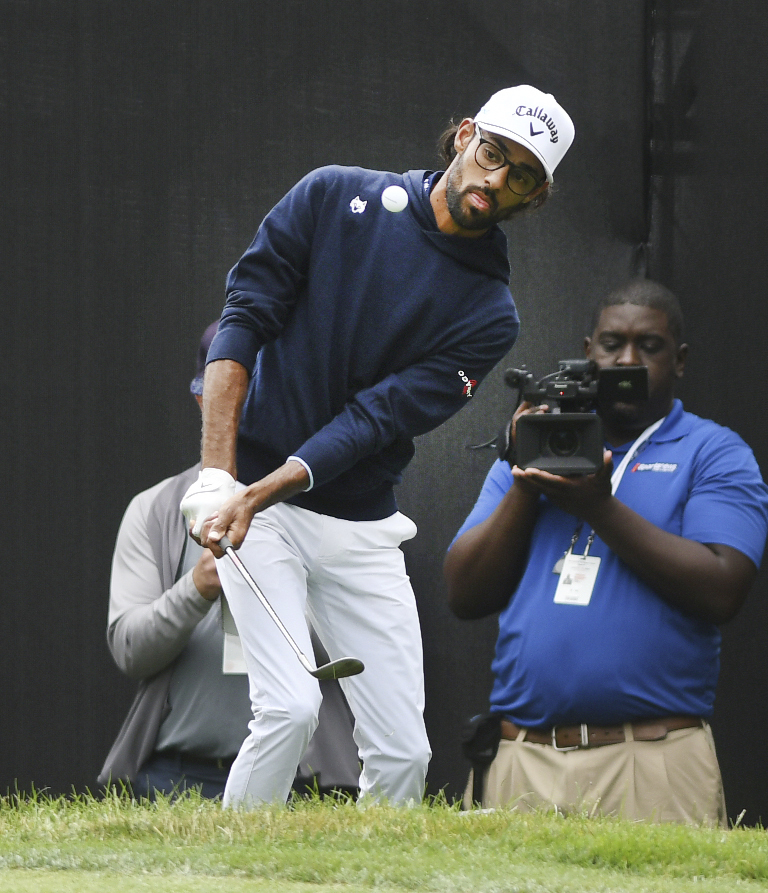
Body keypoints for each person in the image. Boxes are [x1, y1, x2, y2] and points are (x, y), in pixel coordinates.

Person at [178, 85, 576, 808]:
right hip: (255, 503)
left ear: (536, 196)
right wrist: (217, 474)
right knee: (291, 709)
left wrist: (256, 491)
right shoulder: (331, 196)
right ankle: (226, 871)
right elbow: (244, 316)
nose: (496, 179)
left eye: (521, 174)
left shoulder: (491, 313)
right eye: (493, 153)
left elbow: (375, 419)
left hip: (355, 524)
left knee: (405, 750)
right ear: (463, 137)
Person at [444, 278, 768, 826]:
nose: (627, 359)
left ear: (680, 359)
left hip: (651, 762)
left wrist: (599, 507)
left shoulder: (714, 452)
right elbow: (465, 594)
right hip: (525, 758)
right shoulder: (535, 447)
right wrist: (527, 480)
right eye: (612, 343)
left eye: (650, 346)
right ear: (588, 350)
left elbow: (722, 589)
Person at [98, 322, 360, 800]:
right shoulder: (155, 509)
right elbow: (130, 651)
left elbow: (364, 650)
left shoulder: (335, 506)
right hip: (176, 777)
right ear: (204, 401)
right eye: (231, 396)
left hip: (305, 781)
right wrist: (196, 587)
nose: (248, 412)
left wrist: (281, 581)